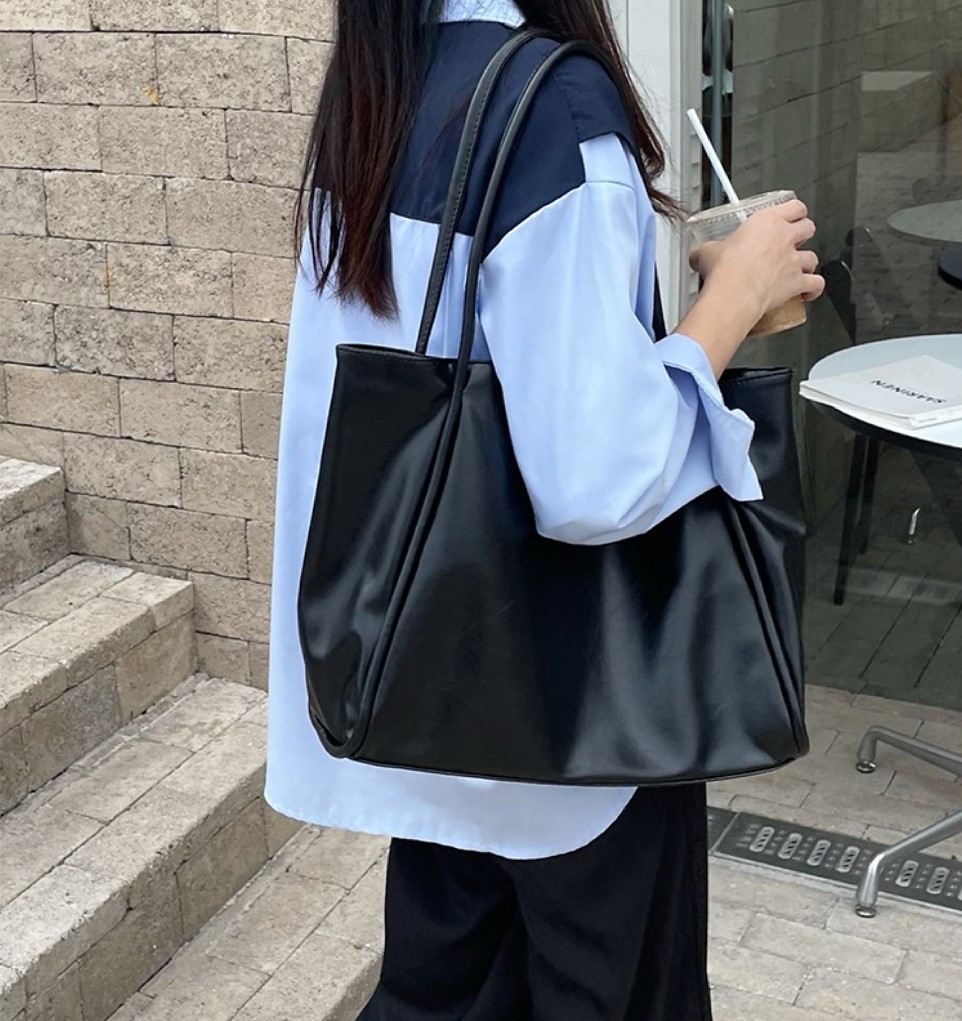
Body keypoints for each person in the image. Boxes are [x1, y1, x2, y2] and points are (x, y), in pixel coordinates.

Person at [265, 1, 823, 1017]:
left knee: (440, 991)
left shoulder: (386, 89)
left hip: (426, 688)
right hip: (577, 721)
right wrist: (733, 300)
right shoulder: (554, 111)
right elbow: (595, 478)